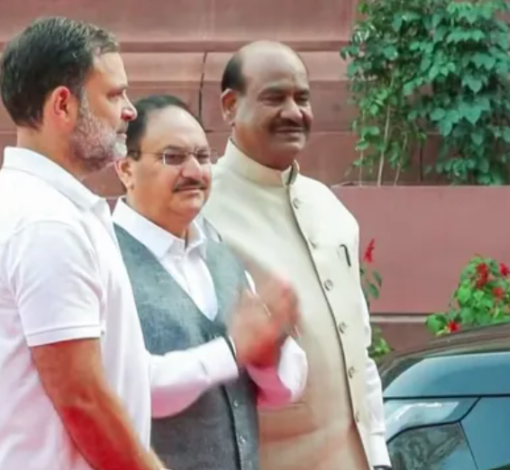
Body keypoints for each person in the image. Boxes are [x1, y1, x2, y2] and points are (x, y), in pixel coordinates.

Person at [201, 40, 392, 470]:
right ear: (230, 106)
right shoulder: (199, 210)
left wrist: (377, 454)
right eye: (274, 98)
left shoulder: (329, 207)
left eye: (302, 98)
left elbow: (357, 347)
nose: (293, 112)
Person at [0, 16, 165, 470]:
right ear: (63, 105)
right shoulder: (46, 223)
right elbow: (83, 402)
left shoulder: (41, 208)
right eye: (114, 94)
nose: (130, 110)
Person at [112, 93, 309, 470]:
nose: (193, 172)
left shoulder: (221, 257)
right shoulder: (103, 258)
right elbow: (129, 387)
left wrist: (266, 355)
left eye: (202, 157)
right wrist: (233, 351)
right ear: (125, 169)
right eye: (173, 157)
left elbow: (285, 388)